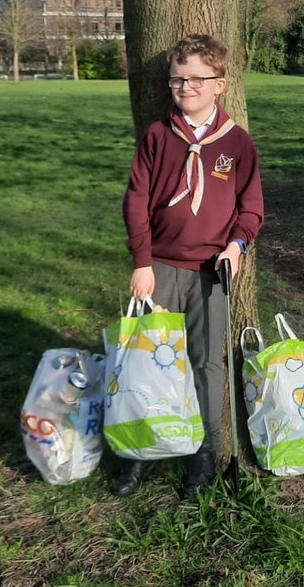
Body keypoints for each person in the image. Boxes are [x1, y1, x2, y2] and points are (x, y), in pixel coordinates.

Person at [112, 33, 264, 499]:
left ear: (220, 83)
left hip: (210, 273)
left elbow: (251, 207)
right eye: (178, 79)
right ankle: (137, 452)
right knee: (146, 363)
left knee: (205, 364)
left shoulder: (236, 144)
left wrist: (237, 246)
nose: (186, 87)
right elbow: (136, 201)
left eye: (198, 78)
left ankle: (204, 455)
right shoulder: (158, 138)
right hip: (158, 267)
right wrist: (142, 261)